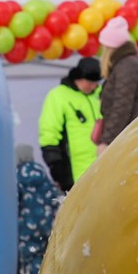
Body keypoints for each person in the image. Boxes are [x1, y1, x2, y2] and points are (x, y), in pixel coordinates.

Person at [37, 58, 102, 192]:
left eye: (96, 82)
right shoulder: (58, 96)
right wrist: (55, 165)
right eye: (90, 82)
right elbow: (49, 131)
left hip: (103, 170)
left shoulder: (101, 94)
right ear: (79, 78)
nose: (93, 86)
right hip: (74, 175)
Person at [94, 16, 138, 148]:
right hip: (126, 136)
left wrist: (107, 142)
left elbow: (122, 106)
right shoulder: (125, 64)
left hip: (126, 140)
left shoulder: (126, 66)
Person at [16, 144, 61, 274]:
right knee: (44, 250)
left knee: (31, 251)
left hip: (27, 223)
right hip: (45, 220)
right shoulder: (40, 171)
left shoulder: (17, 175)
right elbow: (52, 193)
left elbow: (15, 199)